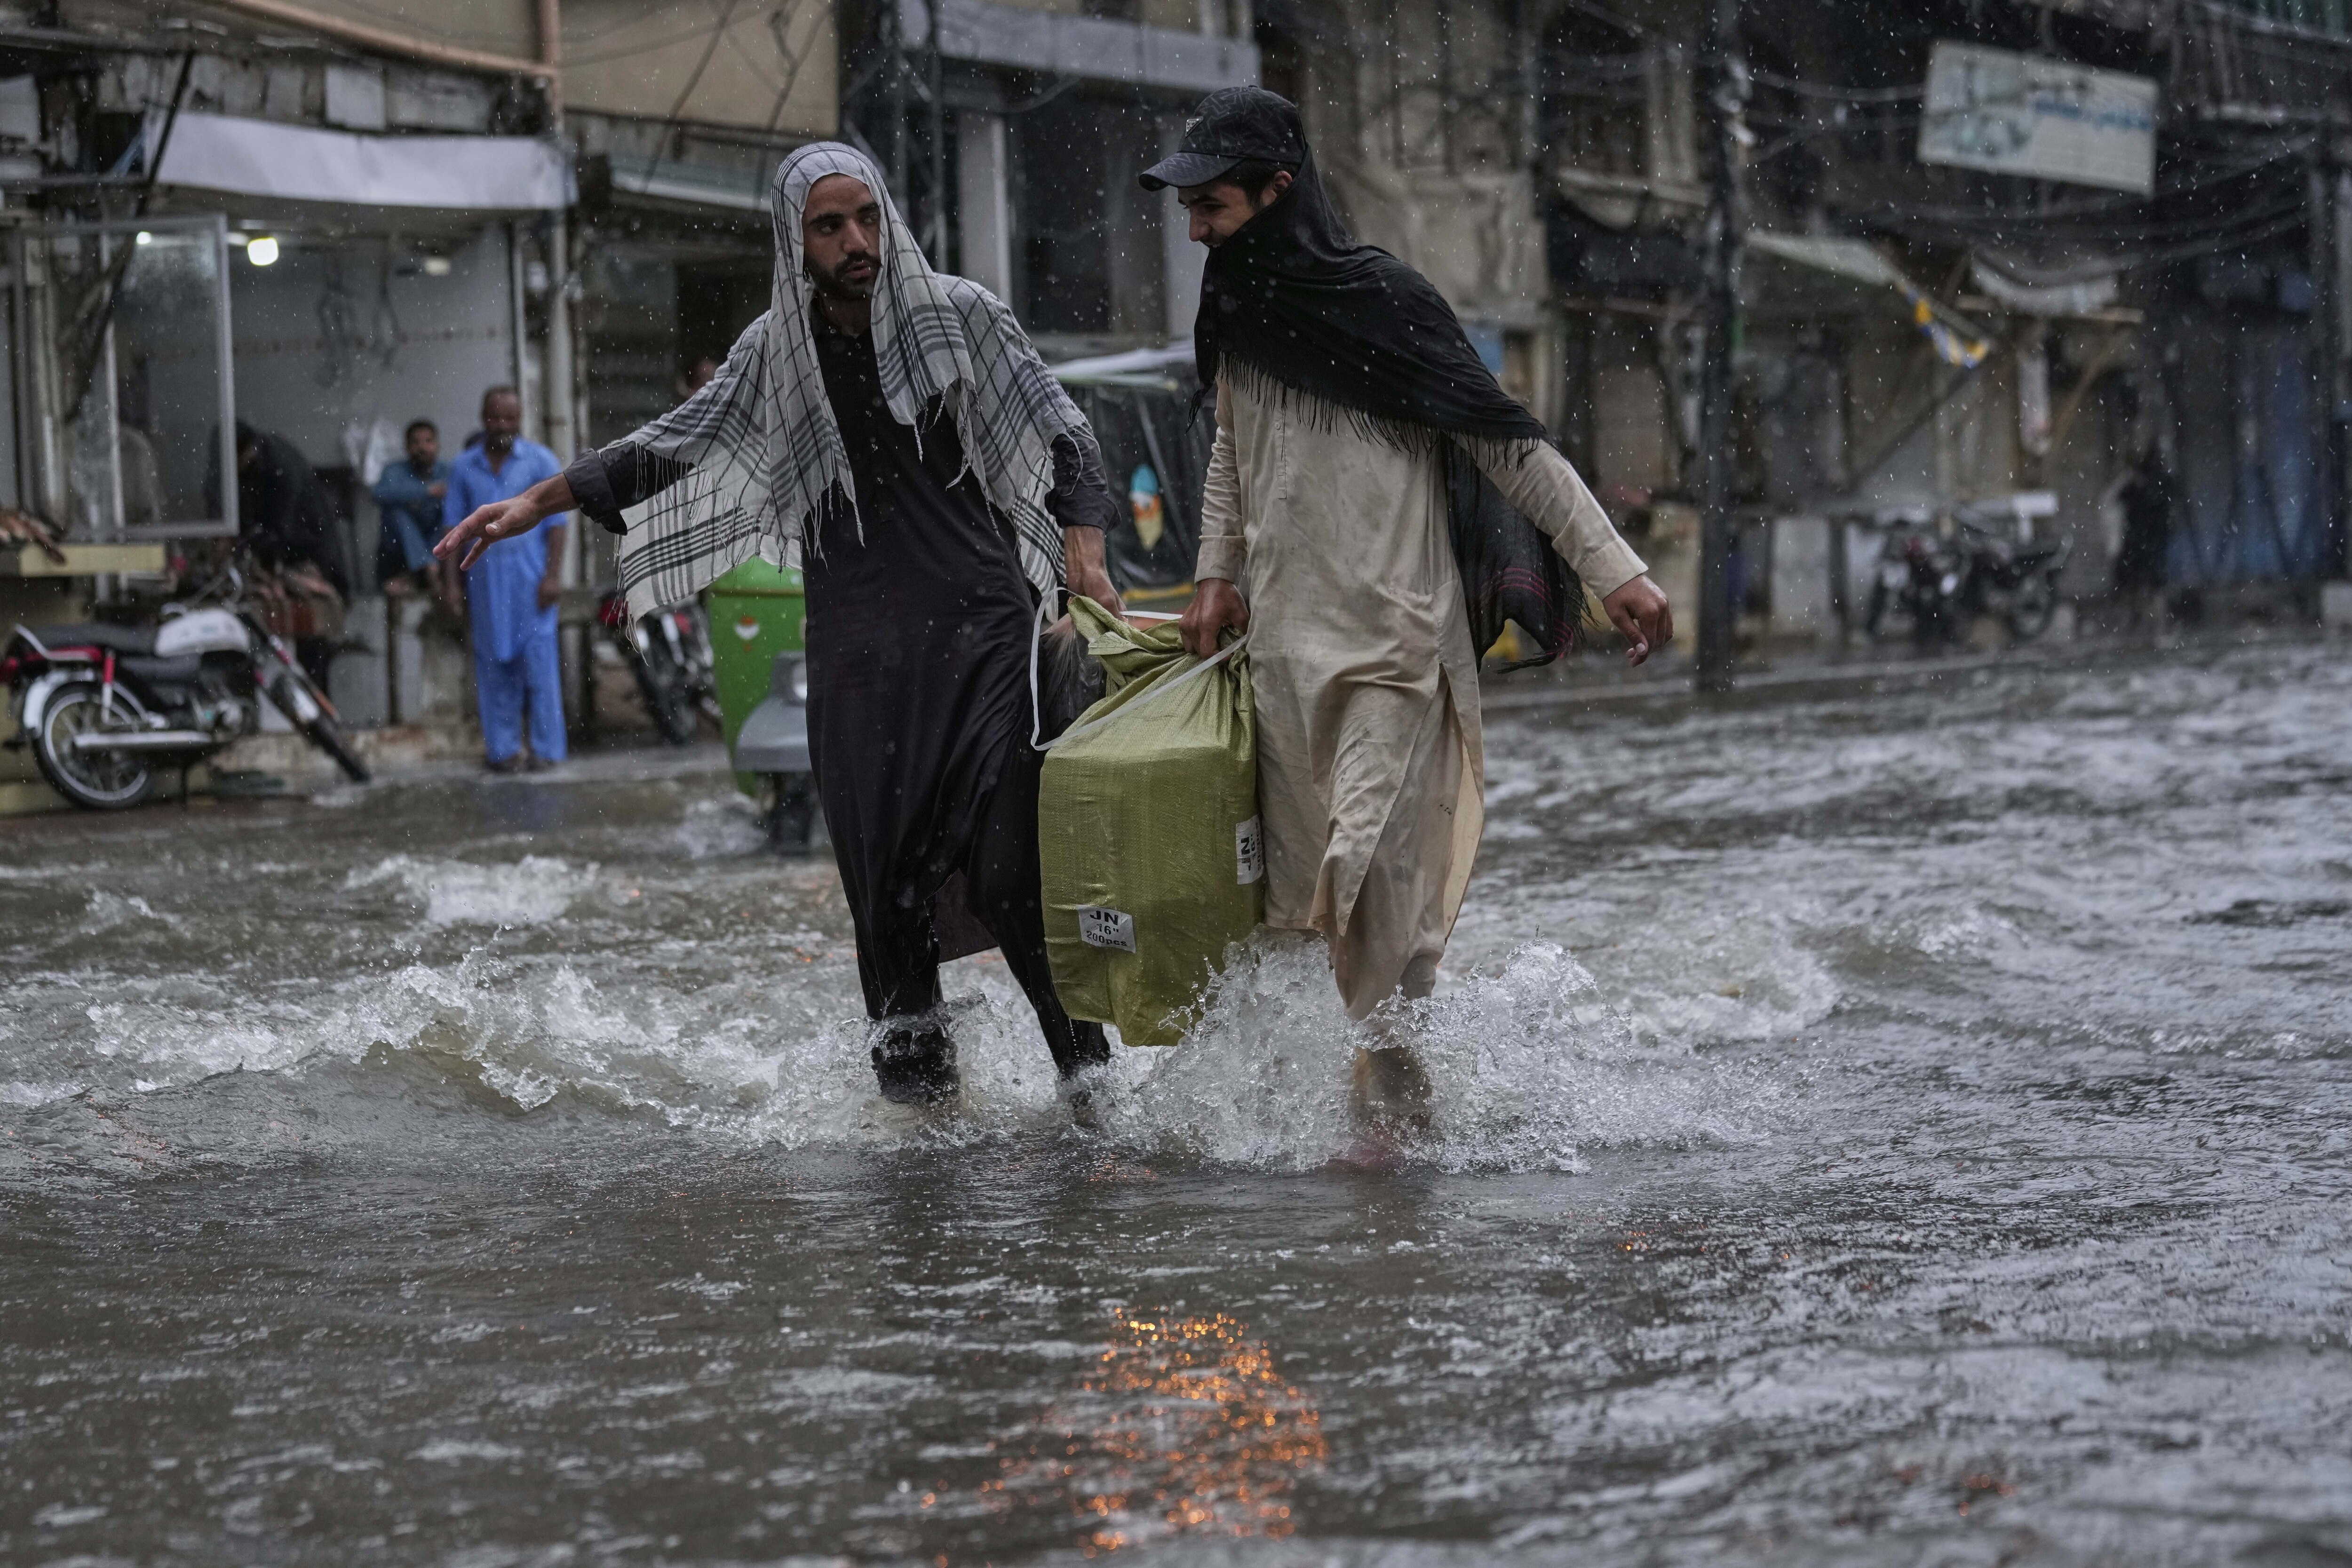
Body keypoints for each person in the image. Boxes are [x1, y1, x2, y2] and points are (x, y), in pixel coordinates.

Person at [435, 143, 1125, 1116]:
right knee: (884, 904)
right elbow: (666, 448)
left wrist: (1084, 551)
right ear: (792, 241)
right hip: (859, 660)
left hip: (978, 637)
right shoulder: (775, 353)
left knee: (1017, 877)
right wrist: (532, 503)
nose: (857, 243)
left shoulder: (960, 317)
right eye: (830, 226)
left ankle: (1092, 1098)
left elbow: (1064, 431)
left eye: (868, 219)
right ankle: (923, 1127)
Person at [1147, 88, 1674, 1142]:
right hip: (1281, 657)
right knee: (1297, 916)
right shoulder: (1236, 308)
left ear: (1277, 192)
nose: (1197, 229)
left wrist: (1613, 567)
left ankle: (1387, 1130)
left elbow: (1505, 443)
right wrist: (1214, 574)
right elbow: (1230, 455)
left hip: (1395, 649)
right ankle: (1386, 1125)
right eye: (1190, 210)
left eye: (1213, 206)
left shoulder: (1386, 300)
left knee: (1363, 880)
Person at [443, 388, 567, 774]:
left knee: (541, 669)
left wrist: (552, 576)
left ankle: (547, 752)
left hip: (531, 585)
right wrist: (450, 585)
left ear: (520, 420)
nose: (503, 426)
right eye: (496, 418)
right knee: (495, 668)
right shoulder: (464, 467)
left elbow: (558, 524)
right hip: (485, 585)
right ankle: (504, 751)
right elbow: (453, 530)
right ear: (483, 419)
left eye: (510, 418)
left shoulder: (540, 460)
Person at [215, 422, 354, 688]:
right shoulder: (256, 465)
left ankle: (314, 695)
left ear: (248, 451)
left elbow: (281, 528)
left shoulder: (282, 467)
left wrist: (260, 552)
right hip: (289, 549)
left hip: (310, 553)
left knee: (313, 640)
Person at [372, 419, 458, 609]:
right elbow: (379, 494)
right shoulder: (394, 470)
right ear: (407, 447)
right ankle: (428, 568)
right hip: (398, 550)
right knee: (397, 512)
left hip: (434, 543)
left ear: (437, 445)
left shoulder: (448, 471)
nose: (423, 448)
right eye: (416, 443)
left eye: (428, 441)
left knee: (450, 514)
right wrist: (426, 491)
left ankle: (427, 567)